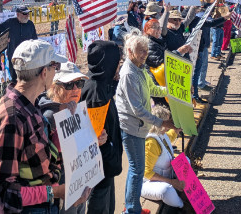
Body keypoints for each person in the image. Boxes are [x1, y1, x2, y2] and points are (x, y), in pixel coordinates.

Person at [0, 40, 88, 213]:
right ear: (44, 72)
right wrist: (56, 192)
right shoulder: (12, 118)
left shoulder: (29, 106)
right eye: (54, 66)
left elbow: (39, 158)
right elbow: (0, 195)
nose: (56, 71)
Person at [116, 31, 177, 214]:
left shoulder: (141, 68)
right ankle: (132, 210)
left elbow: (153, 89)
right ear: (129, 51)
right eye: (140, 51)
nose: (144, 54)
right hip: (132, 127)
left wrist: (171, 91)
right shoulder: (128, 73)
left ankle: (131, 206)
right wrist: (161, 123)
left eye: (145, 50)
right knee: (137, 169)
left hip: (139, 126)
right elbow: (138, 110)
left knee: (135, 168)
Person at [37, 61, 97, 214]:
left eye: (79, 83)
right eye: (69, 85)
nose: (76, 89)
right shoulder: (49, 116)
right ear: (55, 88)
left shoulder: (77, 107)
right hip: (61, 183)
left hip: (78, 177)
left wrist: (96, 140)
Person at [80, 41, 123, 214]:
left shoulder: (101, 84)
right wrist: (110, 154)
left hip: (107, 166)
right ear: (108, 64)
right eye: (116, 64)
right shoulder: (95, 92)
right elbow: (97, 136)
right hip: (100, 171)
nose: (118, 68)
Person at [141, 105, 187, 211]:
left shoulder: (161, 133)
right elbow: (147, 173)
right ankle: (182, 205)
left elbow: (169, 137)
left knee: (185, 161)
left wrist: (176, 130)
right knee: (167, 190)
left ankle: (188, 194)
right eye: (167, 122)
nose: (169, 125)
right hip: (148, 183)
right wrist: (171, 182)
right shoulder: (151, 143)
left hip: (164, 176)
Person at [0, 5, 38, 82]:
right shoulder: (10, 22)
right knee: (15, 80)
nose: (27, 15)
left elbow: (35, 40)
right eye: (24, 14)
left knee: (27, 81)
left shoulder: (30, 24)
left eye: (28, 13)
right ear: (18, 14)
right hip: (14, 57)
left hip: (27, 58)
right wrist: (4, 39)